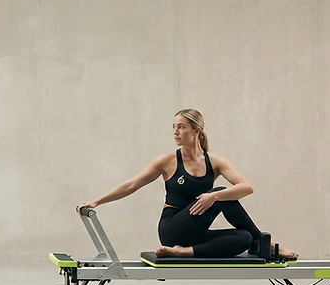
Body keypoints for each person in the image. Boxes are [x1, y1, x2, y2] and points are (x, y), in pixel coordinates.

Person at [76, 109, 298, 260]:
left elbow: (246, 187)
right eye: (173, 127)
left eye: (181, 127)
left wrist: (213, 197)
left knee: (244, 237)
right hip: (173, 228)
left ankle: (187, 252)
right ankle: (266, 244)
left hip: (197, 234)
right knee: (221, 192)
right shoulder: (167, 161)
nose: (175, 132)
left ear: (196, 131)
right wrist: (97, 201)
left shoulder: (215, 161)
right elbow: (132, 184)